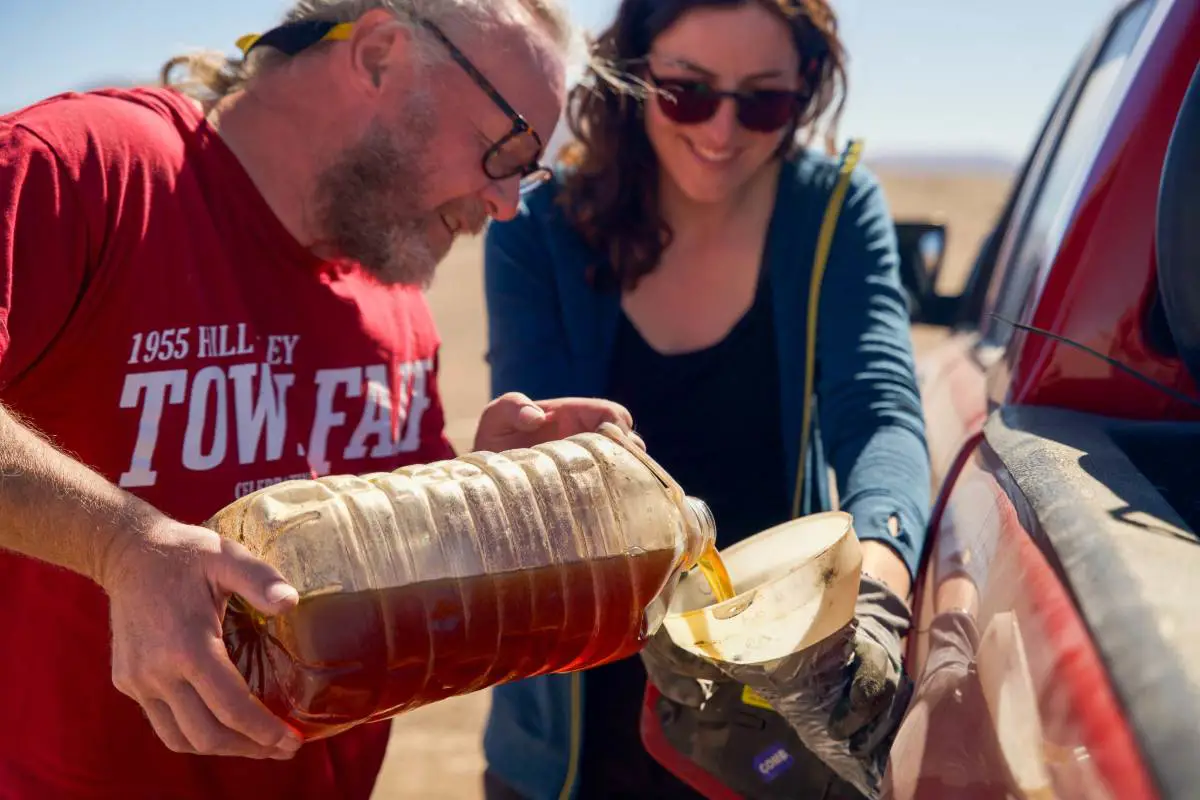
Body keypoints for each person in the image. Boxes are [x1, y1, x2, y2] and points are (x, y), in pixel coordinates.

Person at [0, 1, 640, 798]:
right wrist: (121, 546)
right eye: (504, 149)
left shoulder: (391, 282)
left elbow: (384, 569)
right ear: (378, 54)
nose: (508, 203)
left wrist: (486, 496)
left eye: (528, 170)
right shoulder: (86, 168)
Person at [480, 0, 931, 798]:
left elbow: (879, 412)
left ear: (808, 88)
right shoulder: (539, 225)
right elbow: (536, 456)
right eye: (687, 92)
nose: (721, 133)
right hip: (572, 743)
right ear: (633, 76)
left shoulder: (831, 213)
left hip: (772, 724)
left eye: (762, 100)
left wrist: (875, 605)